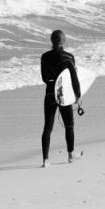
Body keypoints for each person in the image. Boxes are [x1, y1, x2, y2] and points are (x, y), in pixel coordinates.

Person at [40, 29, 80, 167]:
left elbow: (44, 78)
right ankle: (71, 154)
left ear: (51, 41)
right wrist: (78, 96)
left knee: (48, 127)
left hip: (50, 93)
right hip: (64, 94)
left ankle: (45, 159)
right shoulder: (69, 57)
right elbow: (74, 80)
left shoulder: (44, 57)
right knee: (69, 125)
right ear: (64, 41)